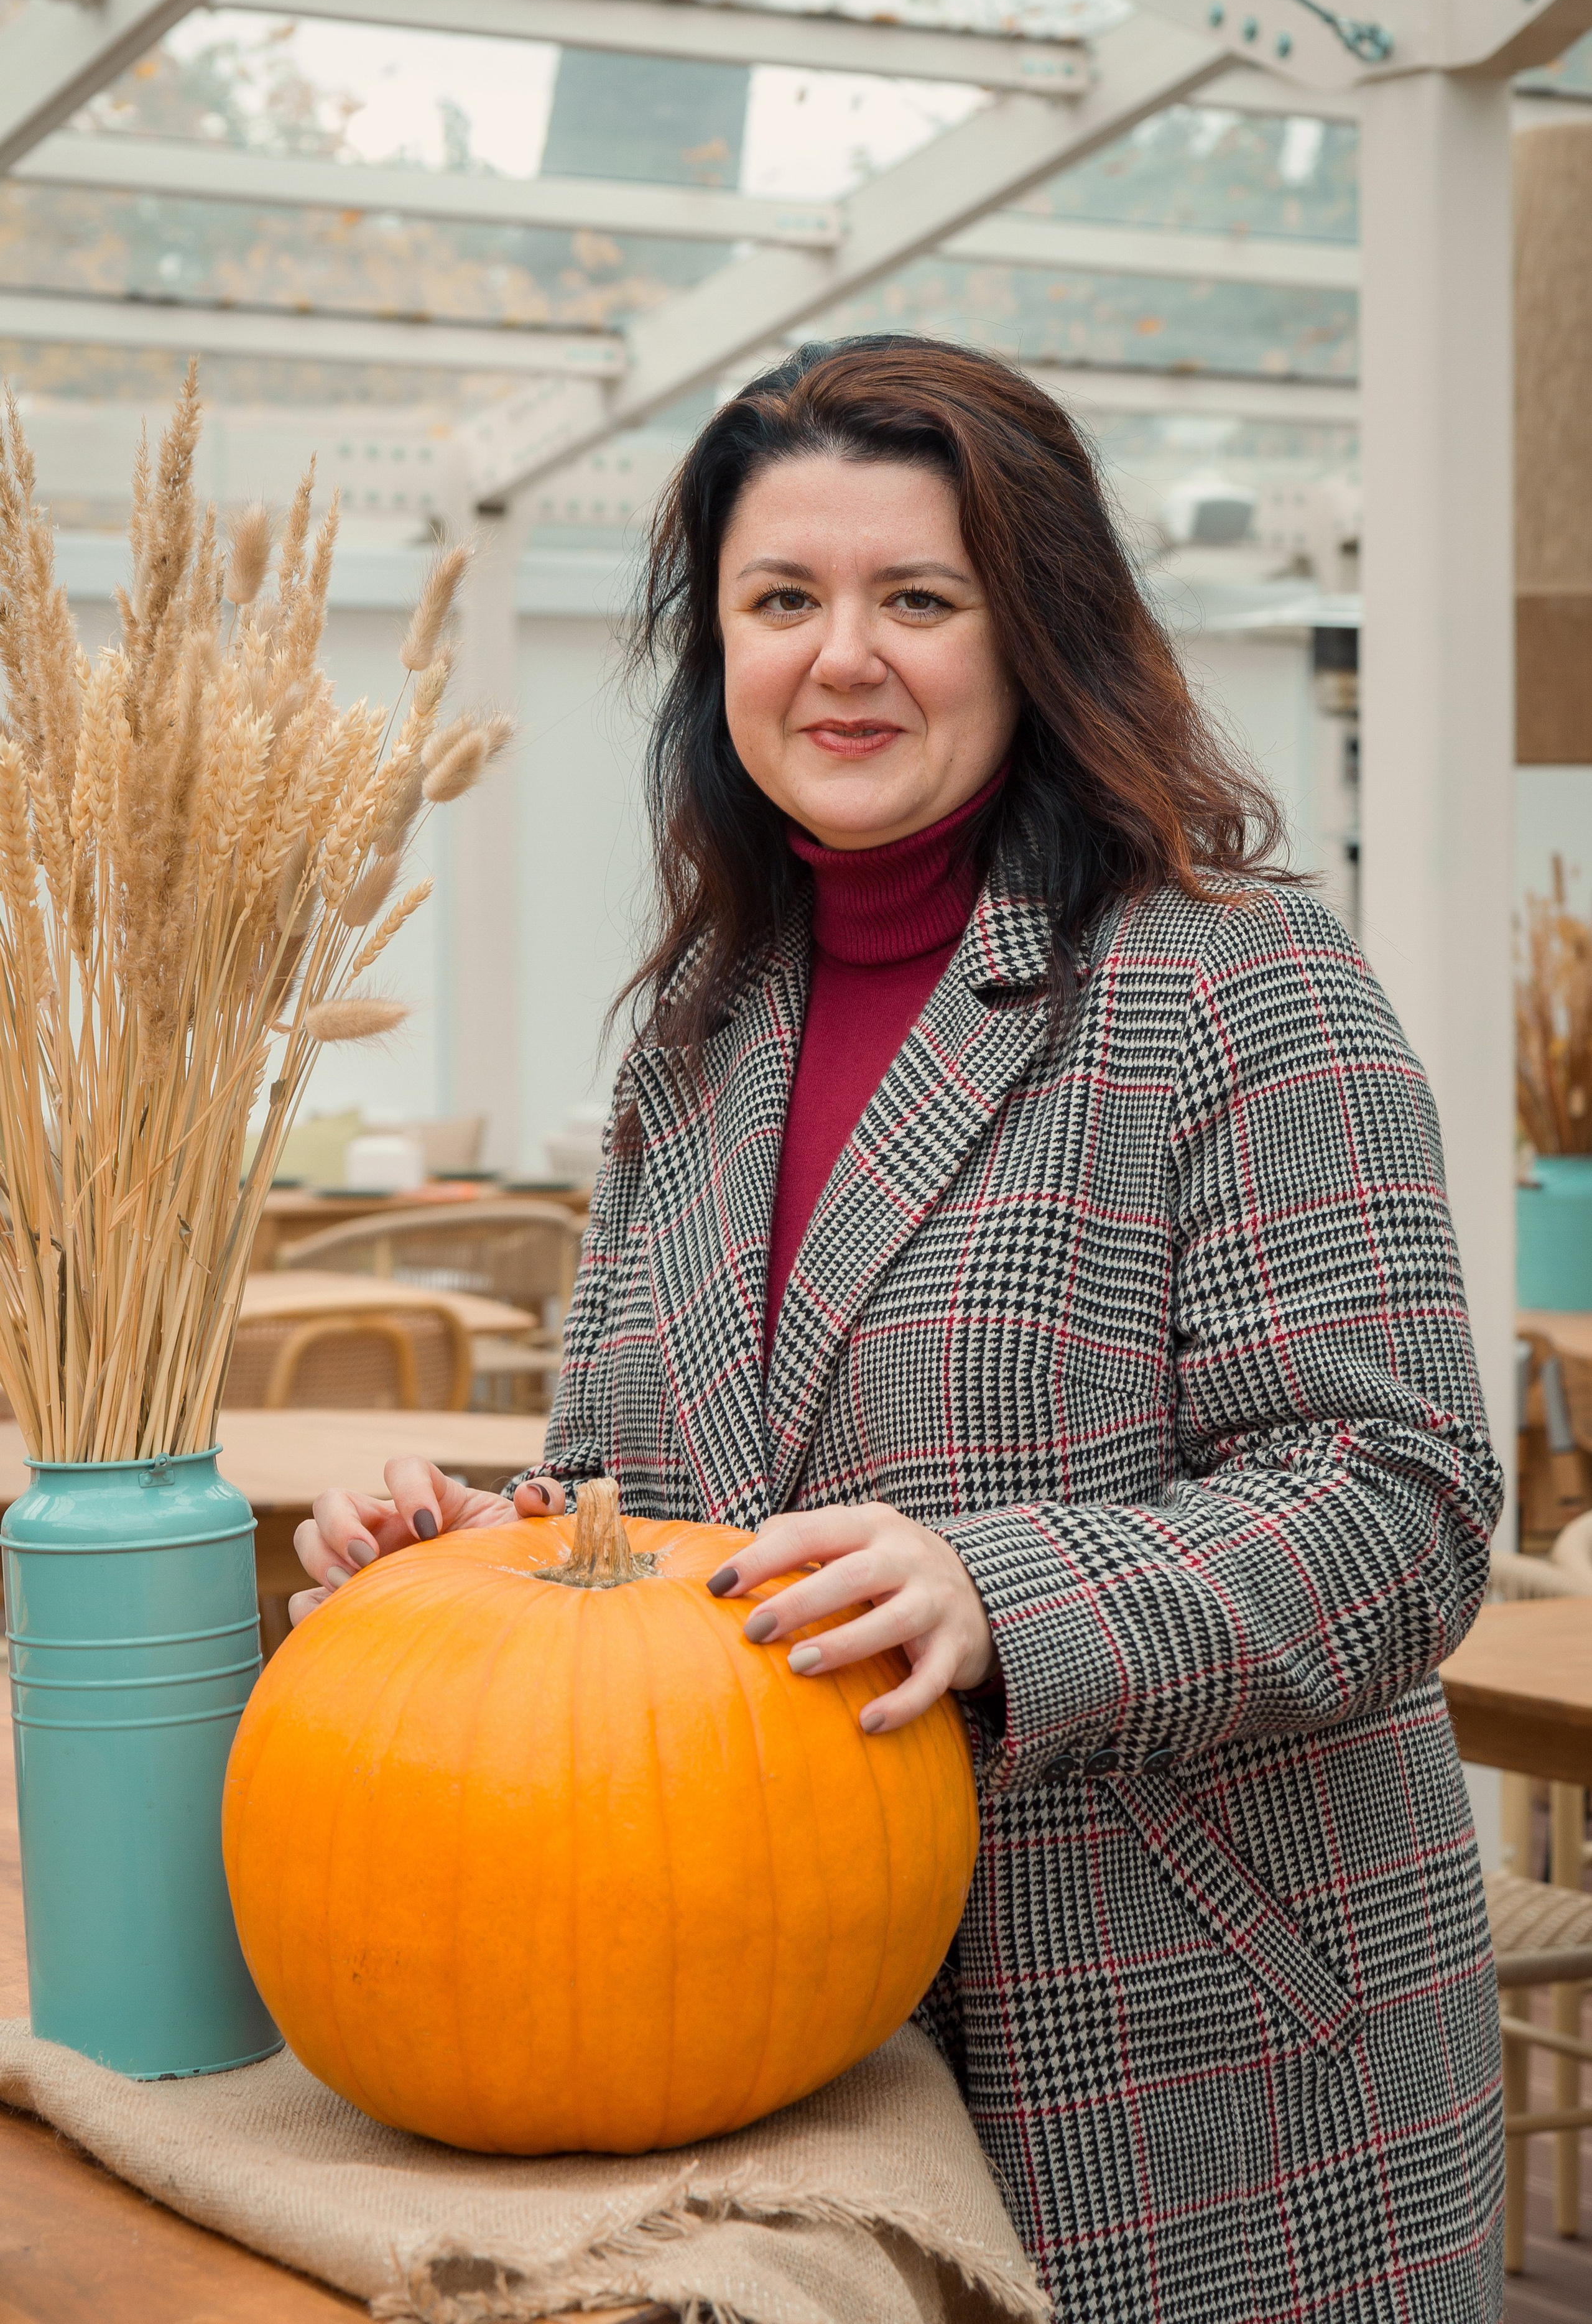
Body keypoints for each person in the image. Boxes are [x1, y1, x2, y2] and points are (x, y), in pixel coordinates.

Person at [294, 335, 1506, 2320]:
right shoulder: (693, 1039)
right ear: (722, 663)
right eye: (783, 602)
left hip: (1187, 2055)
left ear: (1037, 634)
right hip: (792, 2045)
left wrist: (999, 1596)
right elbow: (658, 1491)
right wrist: (490, 1555)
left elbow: (1405, 1501)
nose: (840, 656)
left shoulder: (1237, 975)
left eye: (915, 600)